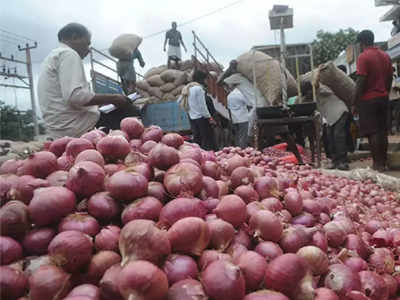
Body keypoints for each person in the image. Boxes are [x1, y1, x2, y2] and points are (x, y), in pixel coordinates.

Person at [37, 23, 139, 139]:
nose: (88, 50)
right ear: (74, 37)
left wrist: (104, 100)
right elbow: (76, 96)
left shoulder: (51, 57)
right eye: (87, 44)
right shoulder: (69, 54)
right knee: (129, 112)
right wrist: (114, 98)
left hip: (59, 128)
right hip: (78, 126)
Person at [353, 30, 393, 172]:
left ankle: (377, 165)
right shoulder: (385, 55)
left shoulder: (363, 57)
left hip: (369, 100)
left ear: (361, 43)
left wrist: (356, 102)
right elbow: (390, 77)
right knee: (383, 131)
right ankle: (384, 162)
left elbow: (361, 81)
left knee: (373, 132)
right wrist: (385, 92)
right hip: (383, 97)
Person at [301, 76, 350, 170]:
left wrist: (316, 86)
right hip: (330, 118)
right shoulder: (312, 97)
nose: (308, 95)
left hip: (339, 112)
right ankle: (335, 161)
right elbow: (302, 101)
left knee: (338, 136)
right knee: (329, 138)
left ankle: (343, 162)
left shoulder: (322, 90)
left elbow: (325, 90)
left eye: (308, 92)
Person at [178, 70, 216, 150]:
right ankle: (207, 156)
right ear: (202, 79)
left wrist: (190, 110)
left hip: (192, 118)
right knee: (206, 139)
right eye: (206, 79)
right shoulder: (199, 89)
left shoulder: (187, 88)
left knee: (197, 139)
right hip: (202, 118)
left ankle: (198, 155)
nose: (206, 81)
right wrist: (209, 117)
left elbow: (179, 101)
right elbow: (203, 106)